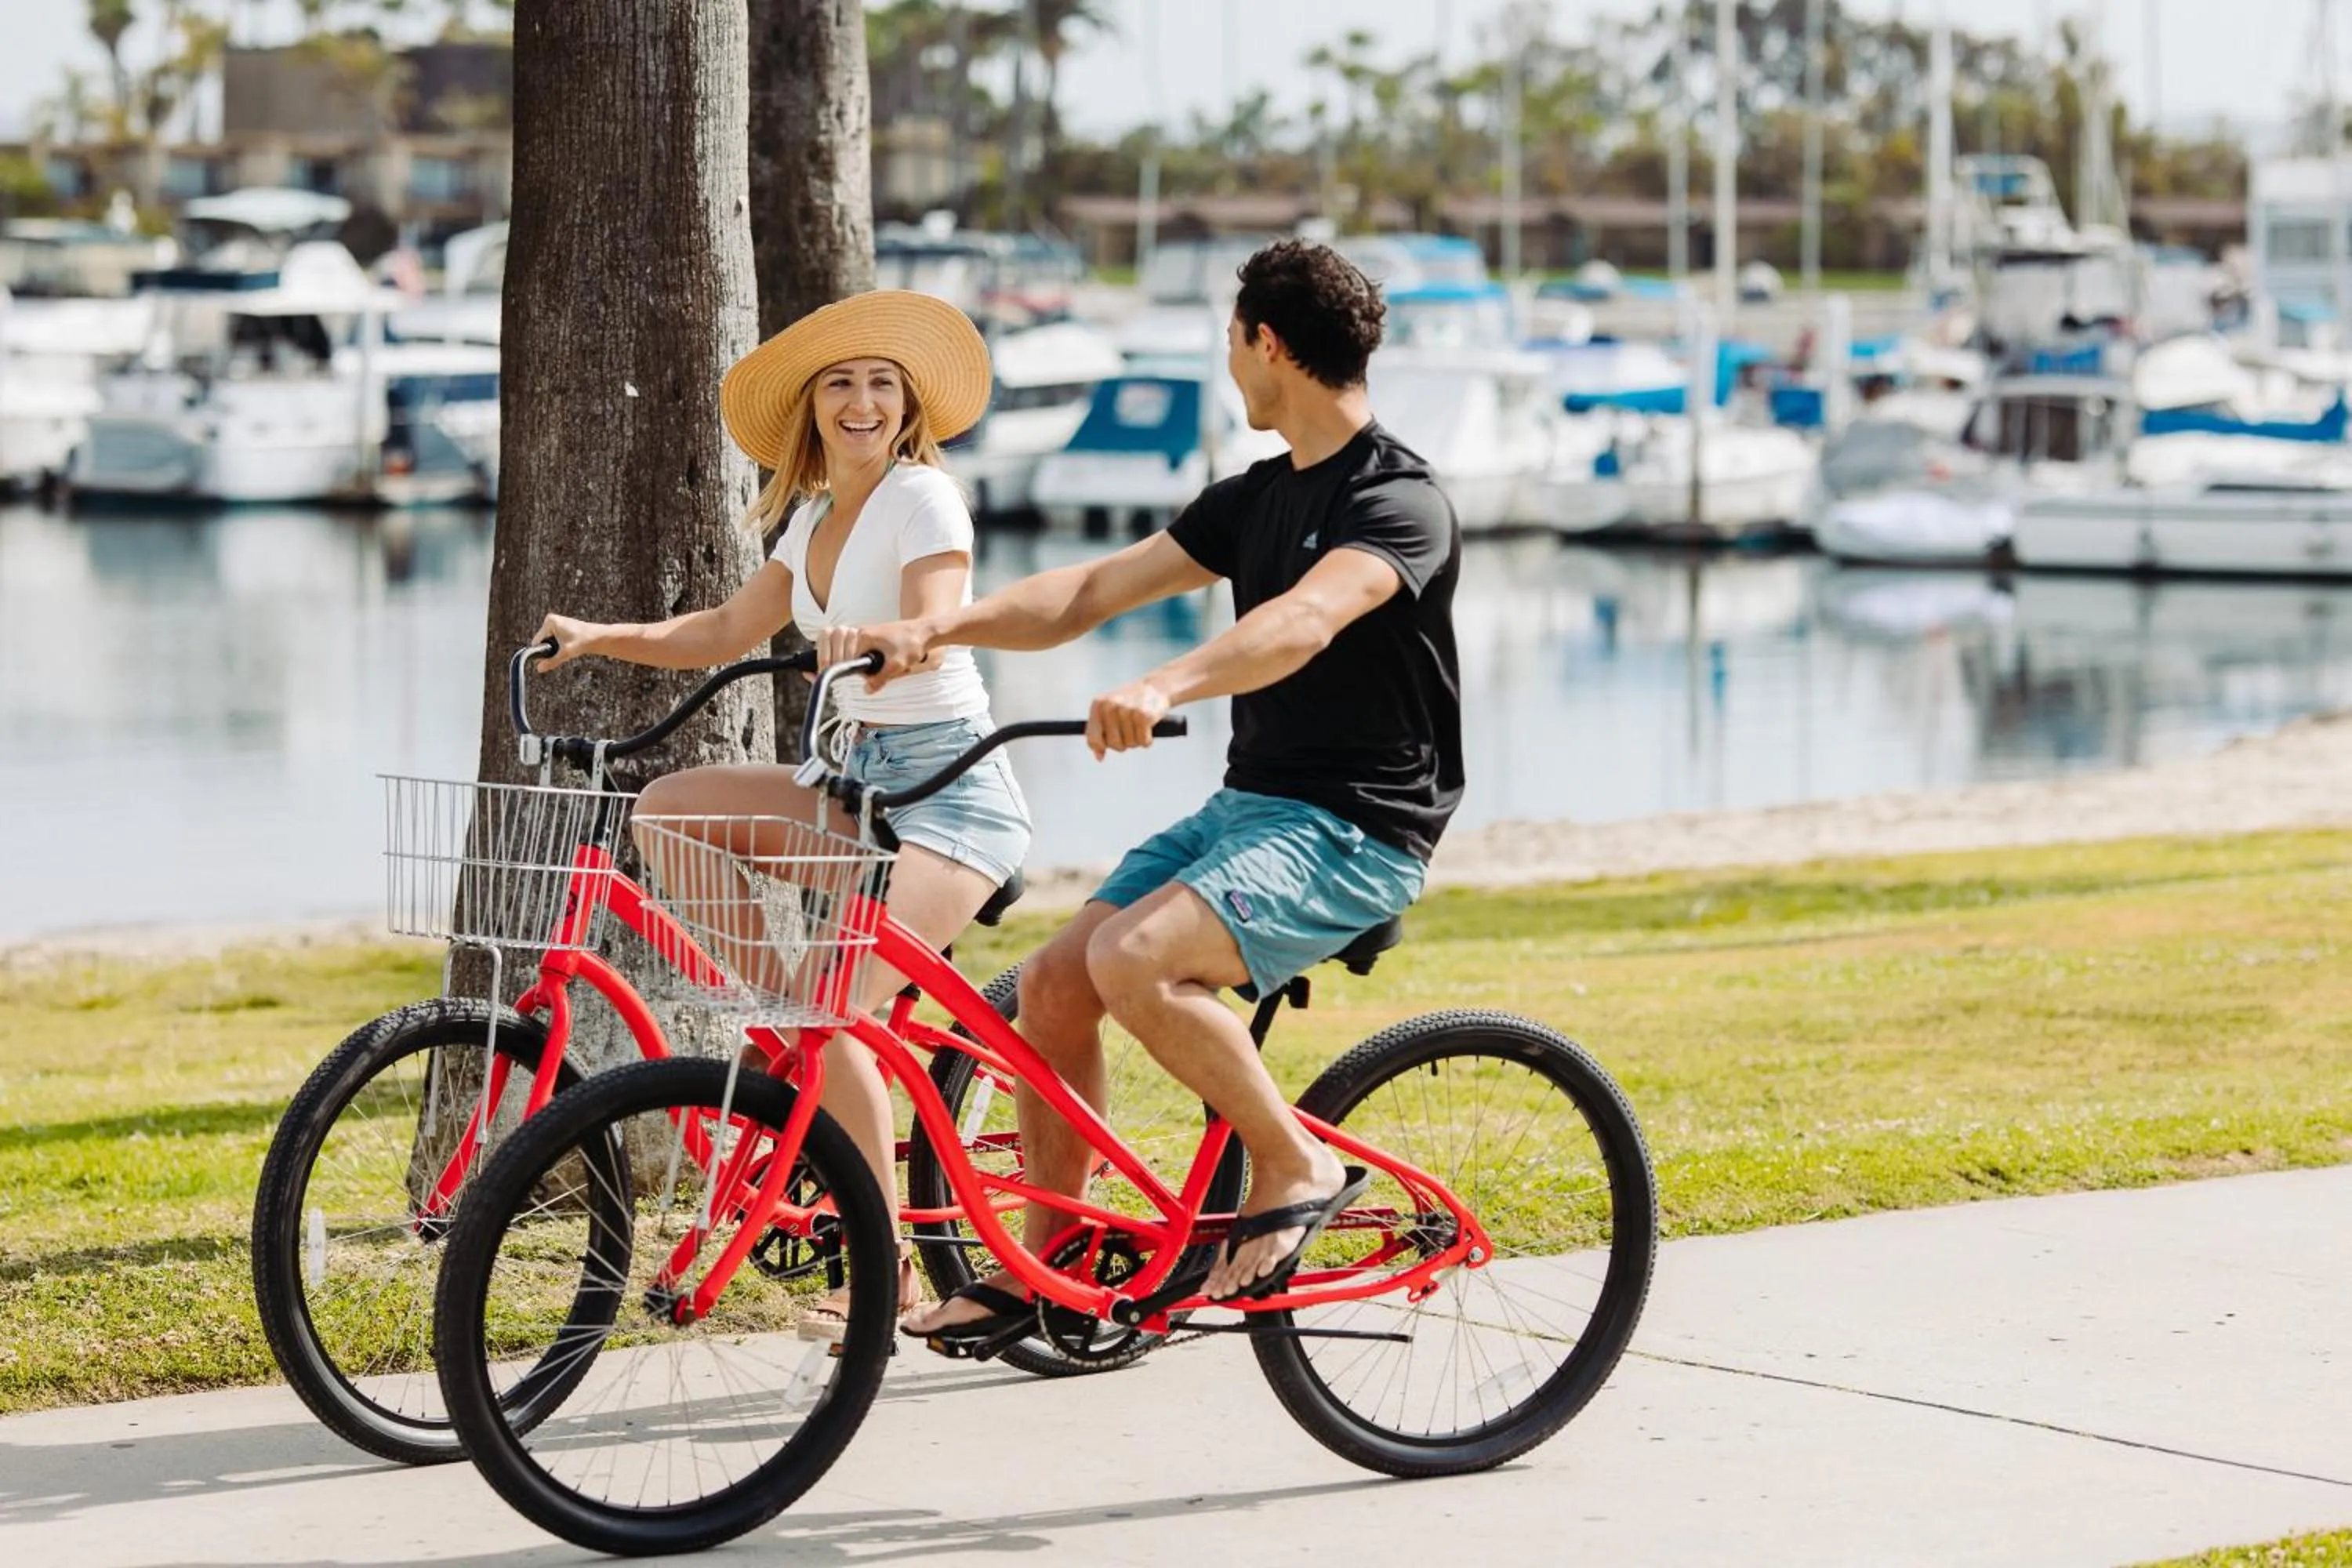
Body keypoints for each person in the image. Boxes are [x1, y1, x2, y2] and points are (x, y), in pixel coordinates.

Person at [841, 240, 1464, 1345]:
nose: (1231, 366)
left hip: (1360, 829)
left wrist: (1169, 679)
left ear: (1266, 345)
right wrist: (936, 625)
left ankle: (1293, 1160)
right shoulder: (1256, 498)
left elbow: (1304, 621)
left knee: (1135, 958)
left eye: (1232, 343)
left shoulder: (1399, 498)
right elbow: (1088, 589)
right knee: (1054, 986)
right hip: (1252, 809)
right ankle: (1055, 1256)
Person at [529, 289, 1032, 1334]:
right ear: (811, 408)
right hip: (852, 783)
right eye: (842, 385)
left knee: (837, 1005)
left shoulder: (922, 500)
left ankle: (879, 1261)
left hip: (949, 793)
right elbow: (723, 629)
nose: (862, 402)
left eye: (881, 385)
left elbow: (944, 612)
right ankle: (785, 1026)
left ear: (907, 407)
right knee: (670, 812)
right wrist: (601, 635)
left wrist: (901, 637)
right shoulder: (810, 517)